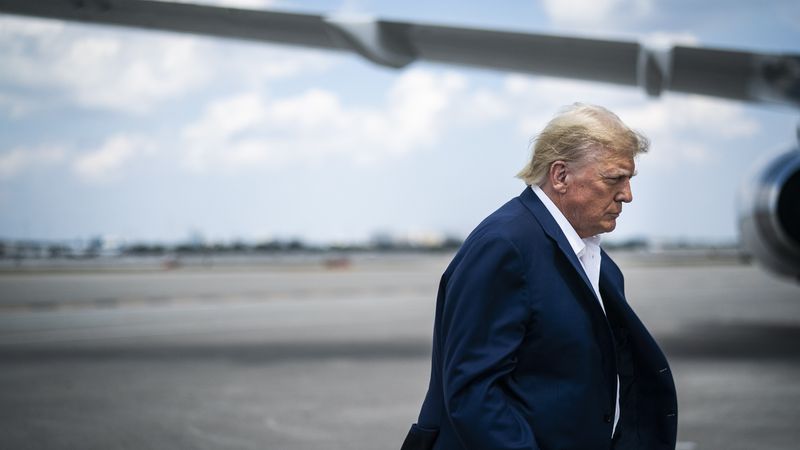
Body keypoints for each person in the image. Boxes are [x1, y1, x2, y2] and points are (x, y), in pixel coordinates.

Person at [401, 103, 678, 450]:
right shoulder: (505, 247)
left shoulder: (595, 259)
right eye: (614, 179)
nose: (627, 195)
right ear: (560, 176)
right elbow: (474, 394)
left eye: (629, 179)